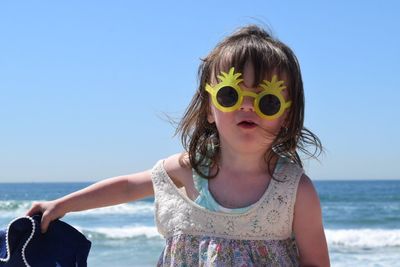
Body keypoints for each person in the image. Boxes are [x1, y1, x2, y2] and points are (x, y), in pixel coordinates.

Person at [27, 25, 330, 266]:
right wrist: (62, 205)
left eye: (267, 100)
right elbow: (128, 187)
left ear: (287, 116)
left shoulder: (293, 191)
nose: (247, 107)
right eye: (230, 95)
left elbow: (316, 262)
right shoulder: (189, 170)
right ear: (210, 108)